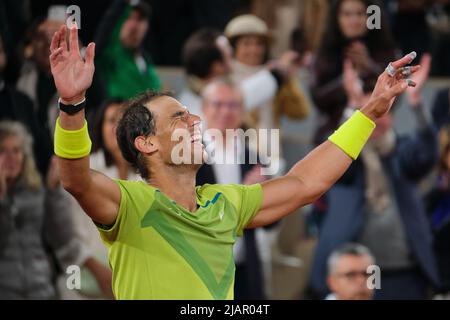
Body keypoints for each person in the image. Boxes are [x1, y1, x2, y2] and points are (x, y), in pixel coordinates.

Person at [49, 23, 419, 299]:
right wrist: (71, 105)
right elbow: (76, 180)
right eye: (179, 117)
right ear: (145, 143)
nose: (195, 120)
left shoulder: (227, 202)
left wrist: (369, 112)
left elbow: (307, 183)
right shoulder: (129, 203)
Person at [310, 55, 440, 300]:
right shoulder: (344, 157)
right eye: (368, 110)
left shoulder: (401, 150)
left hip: (404, 272)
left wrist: (416, 102)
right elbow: (326, 162)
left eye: (382, 110)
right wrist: (353, 107)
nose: (376, 118)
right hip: (353, 274)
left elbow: (427, 155)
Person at [0, 120, 106, 299]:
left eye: (16, 151)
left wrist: (54, 191)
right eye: (3, 150)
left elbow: (60, 234)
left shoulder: (35, 190)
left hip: (40, 287)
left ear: (24, 156)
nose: (11, 158)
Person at [196, 79, 272, 299]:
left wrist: (262, 196)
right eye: (218, 104)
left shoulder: (254, 157)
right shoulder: (189, 157)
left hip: (244, 268)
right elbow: (192, 212)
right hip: (203, 267)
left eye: (233, 105)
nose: (225, 111)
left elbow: (272, 220)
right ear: (203, 108)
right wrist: (245, 195)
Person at [310, 0, 397, 144]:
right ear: (336, 17)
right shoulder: (326, 51)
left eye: (360, 13)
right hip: (333, 131)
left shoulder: (383, 47)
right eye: (347, 14)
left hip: (376, 132)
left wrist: (369, 67)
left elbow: (394, 94)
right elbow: (317, 97)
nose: (354, 20)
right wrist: (344, 84)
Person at [95, 0, 161, 100]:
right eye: (129, 18)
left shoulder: (145, 59)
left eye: (140, 19)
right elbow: (105, 30)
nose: (134, 25)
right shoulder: (110, 54)